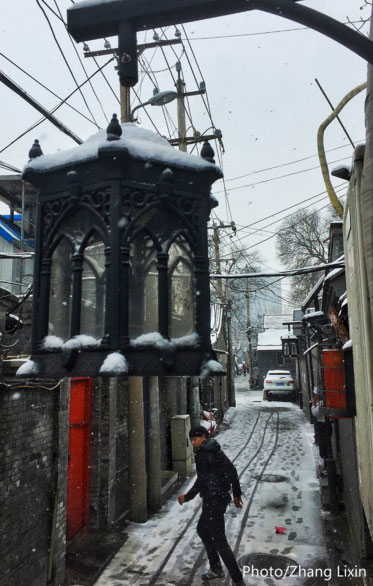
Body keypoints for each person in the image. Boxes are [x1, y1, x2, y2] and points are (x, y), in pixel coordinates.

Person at [178, 426, 245, 585]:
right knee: (202, 529)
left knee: (220, 541)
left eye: (194, 440)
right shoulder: (214, 449)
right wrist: (236, 493)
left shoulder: (204, 453)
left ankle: (238, 580)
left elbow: (202, 481)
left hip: (213, 500)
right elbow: (232, 471)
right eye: (192, 440)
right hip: (219, 498)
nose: (193, 443)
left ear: (202, 437)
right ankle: (216, 568)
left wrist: (186, 497)